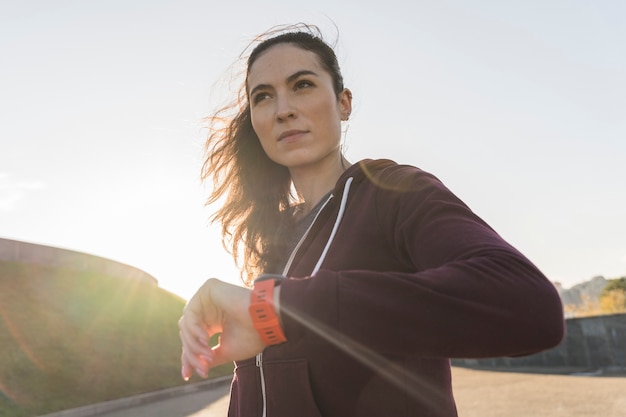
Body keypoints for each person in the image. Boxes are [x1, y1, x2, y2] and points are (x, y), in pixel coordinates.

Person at [178, 23, 564, 417]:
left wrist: (279, 306)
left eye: (303, 85)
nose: (283, 110)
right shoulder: (275, 241)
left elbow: (528, 305)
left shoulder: (393, 191)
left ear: (343, 103)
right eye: (263, 96)